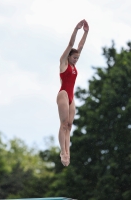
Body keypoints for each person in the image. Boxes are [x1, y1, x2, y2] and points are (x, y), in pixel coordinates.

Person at [56, 19, 89, 166]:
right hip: (63, 94)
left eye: (77, 58)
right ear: (68, 56)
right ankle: (63, 151)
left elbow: (80, 46)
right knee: (63, 124)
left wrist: (86, 32)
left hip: (71, 96)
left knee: (69, 125)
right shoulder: (64, 63)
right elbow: (71, 45)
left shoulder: (74, 65)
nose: (76, 60)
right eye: (74, 57)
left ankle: (68, 152)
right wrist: (76, 30)